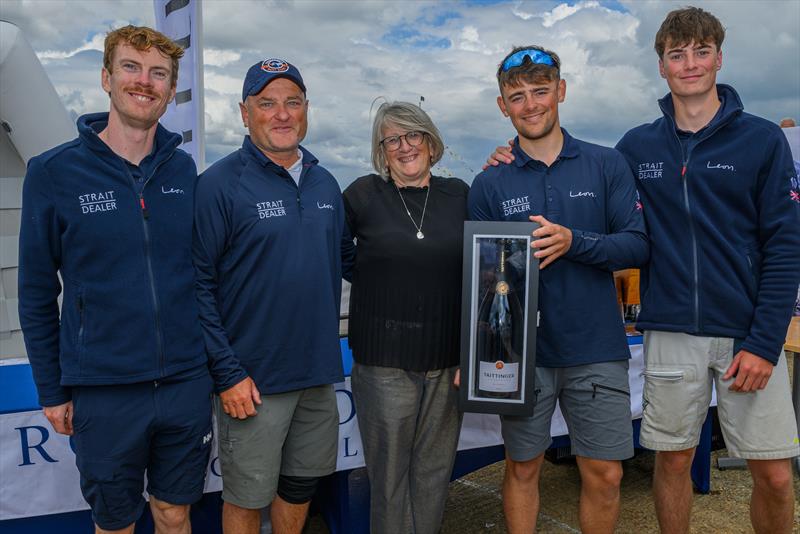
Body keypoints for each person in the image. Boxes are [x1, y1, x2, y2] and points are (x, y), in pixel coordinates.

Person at [18, 26, 212, 533]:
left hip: (185, 381)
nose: (143, 82)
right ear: (107, 77)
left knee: (174, 512)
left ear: (170, 93)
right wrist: (51, 389)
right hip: (103, 388)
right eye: (131, 67)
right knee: (116, 521)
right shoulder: (53, 172)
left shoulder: (184, 172)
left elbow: (205, 273)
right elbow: (37, 291)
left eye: (158, 74)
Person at [615, 8, 800, 534]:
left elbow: (785, 246)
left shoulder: (763, 140)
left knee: (775, 474)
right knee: (672, 461)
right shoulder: (637, 146)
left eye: (700, 52)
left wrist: (765, 343)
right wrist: (510, 157)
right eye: (677, 54)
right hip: (672, 331)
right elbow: (587, 185)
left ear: (719, 58)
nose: (689, 63)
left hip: (748, 334)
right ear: (661, 66)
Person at [469, 46, 648, 534]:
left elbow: (637, 245)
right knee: (523, 466)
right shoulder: (490, 182)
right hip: (520, 353)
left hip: (595, 345)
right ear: (503, 105)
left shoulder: (606, 164)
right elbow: (481, 281)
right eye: (517, 96)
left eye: (540, 91)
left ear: (561, 92)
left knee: (605, 471)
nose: (530, 104)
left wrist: (575, 242)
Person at [192, 58, 354, 534]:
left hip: (318, 375)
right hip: (252, 383)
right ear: (245, 113)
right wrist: (227, 373)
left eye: (293, 102)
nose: (282, 114)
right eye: (267, 104)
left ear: (306, 110)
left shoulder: (326, 182)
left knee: (300, 488)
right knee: (246, 497)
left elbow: (352, 260)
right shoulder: (219, 184)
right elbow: (198, 286)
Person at [342, 101, 468, 534]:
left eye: (413, 135)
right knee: (389, 480)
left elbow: (488, 271)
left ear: (431, 143)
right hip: (383, 363)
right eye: (392, 139)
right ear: (382, 150)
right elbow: (342, 258)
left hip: (448, 362)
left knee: (434, 475)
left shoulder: (461, 196)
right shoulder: (361, 195)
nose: (404, 146)